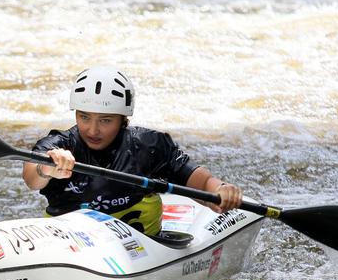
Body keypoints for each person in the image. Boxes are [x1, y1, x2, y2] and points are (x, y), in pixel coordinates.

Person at [22, 66, 242, 236]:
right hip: (73, 245)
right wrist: (47, 168)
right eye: (84, 117)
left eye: (105, 120)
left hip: (144, 246)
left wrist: (220, 190)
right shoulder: (59, 144)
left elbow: (201, 183)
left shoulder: (148, 146)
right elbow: (32, 177)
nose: (93, 129)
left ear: (123, 119)